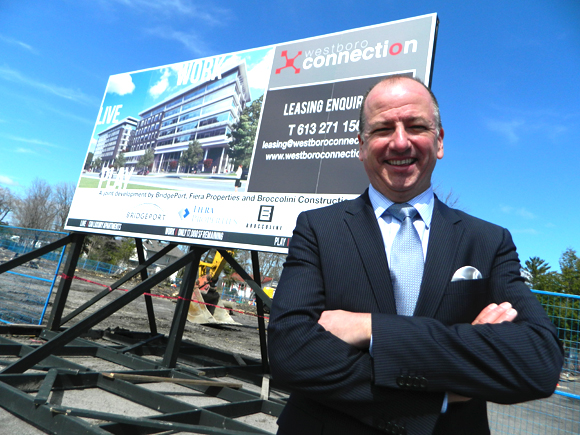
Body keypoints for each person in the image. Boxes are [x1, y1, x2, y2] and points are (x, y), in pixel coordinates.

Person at [267, 76, 563, 435]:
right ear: (361, 146)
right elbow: (291, 354)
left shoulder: (488, 241)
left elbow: (538, 361)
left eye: (416, 126)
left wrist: (369, 328)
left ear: (439, 141)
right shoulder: (318, 229)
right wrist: (446, 387)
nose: (400, 141)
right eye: (382, 129)